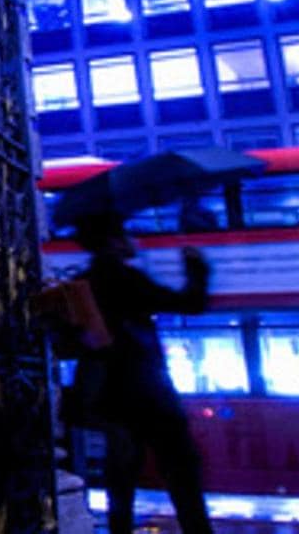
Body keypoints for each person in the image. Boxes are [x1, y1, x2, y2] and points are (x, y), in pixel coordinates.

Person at [73, 211, 214, 534]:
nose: (133, 241)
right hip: (149, 391)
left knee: (120, 483)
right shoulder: (126, 279)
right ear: (113, 241)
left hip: (111, 395)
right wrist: (196, 268)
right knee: (182, 475)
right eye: (126, 235)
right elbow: (190, 303)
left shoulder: (84, 282)